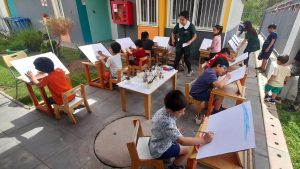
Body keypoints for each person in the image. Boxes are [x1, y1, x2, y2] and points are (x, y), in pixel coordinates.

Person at [149, 90, 214, 169]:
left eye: (184, 110)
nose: (183, 113)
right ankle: (174, 166)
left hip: (155, 141)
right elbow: (182, 141)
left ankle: (167, 159)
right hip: (159, 150)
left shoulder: (164, 109)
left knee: (179, 143)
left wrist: (174, 131)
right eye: (180, 112)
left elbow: (166, 128)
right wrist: (204, 140)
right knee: (187, 150)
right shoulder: (167, 122)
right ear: (170, 110)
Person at [171, 11, 197, 77]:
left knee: (186, 59)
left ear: (186, 19)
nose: (181, 21)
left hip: (188, 45)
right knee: (177, 58)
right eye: (180, 19)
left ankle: (190, 70)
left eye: (182, 20)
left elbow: (195, 36)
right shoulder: (178, 25)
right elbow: (173, 32)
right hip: (180, 44)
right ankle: (173, 71)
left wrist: (190, 41)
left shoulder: (191, 26)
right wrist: (173, 39)